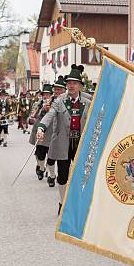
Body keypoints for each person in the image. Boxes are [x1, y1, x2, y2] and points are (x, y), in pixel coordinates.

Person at [37, 65, 92, 213]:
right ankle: (62, 202)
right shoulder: (59, 101)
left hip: (81, 143)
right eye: (69, 83)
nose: (71, 86)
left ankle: (80, 202)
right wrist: (41, 127)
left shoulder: (88, 101)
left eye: (74, 83)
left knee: (82, 174)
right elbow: (50, 115)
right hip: (63, 143)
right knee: (62, 175)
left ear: (80, 85)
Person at [29, 84, 55, 183]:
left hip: (51, 132)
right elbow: (31, 117)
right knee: (40, 153)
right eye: (44, 94)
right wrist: (31, 118)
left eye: (47, 94)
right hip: (39, 131)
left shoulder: (55, 104)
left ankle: (49, 172)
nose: (45, 96)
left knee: (50, 153)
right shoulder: (37, 104)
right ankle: (41, 168)